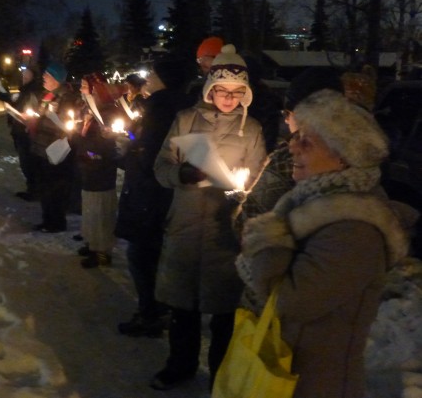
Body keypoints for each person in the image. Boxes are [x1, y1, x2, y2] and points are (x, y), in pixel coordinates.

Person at [236, 89, 408, 398]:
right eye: (296, 135)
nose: (293, 147)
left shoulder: (355, 228)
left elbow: (289, 303)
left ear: (343, 157)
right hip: (288, 370)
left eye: (307, 142)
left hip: (315, 383)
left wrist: (268, 238)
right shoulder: (311, 203)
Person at [150, 44, 266, 390]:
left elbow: (259, 179)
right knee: (183, 309)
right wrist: (181, 174)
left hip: (224, 234)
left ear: (245, 94)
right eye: (221, 90)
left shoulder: (253, 129)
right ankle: (180, 365)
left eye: (236, 92)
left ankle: (222, 374)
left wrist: (242, 193)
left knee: (223, 315)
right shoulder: (185, 119)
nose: (228, 98)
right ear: (209, 88)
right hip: (185, 225)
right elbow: (160, 167)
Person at [115, 54, 195, 338]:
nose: (148, 78)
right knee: (156, 253)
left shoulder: (160, 107)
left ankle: (151, 312)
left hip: (148, 193)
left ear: (165, 78)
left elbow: (150, 154)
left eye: (153, 74)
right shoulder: (186, 106)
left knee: (140, 255)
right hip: (171, 192)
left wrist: (127, 149)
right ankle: (159, 307)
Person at [240, 66, 344, 223]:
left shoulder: (290, 157)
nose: (286, 120)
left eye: (288, 113)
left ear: (303, 113)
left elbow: (249, 218)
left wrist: (237, 200)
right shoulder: (356, 151)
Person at [73, 73, 122, 268]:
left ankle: (103, 252)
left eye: (85, 86)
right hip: (89, 167)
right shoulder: (91, 110)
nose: (81, 89)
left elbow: (109, 144)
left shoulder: (108, 112)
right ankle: (92, 243)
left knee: (101, 211)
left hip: (101, 170)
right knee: (91, 209)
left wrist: (92, 153)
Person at [29, 61, 80, 233]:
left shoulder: (66, 98)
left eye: (47, 75)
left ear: (56, 79)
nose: (43, 77)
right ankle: (47, 219)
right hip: (42, 148)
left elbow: (69, 125)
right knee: (45, 186)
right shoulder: (48, 96)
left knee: (55, 188)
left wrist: (54, 119)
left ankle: (56, 222)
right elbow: (41, 117)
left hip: (56, 151)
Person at [0, 67, 44, 201]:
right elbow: (12, 100)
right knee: (25, 162)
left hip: (26, 132)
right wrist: (1, 88)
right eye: (23, 75)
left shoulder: (33, 91)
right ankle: (32, 189)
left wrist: (29, 118)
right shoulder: (23, 91)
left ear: (33, 77)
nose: (24, 77)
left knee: (29, 163)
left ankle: (35, 191)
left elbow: (36, 111)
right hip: (19, 131)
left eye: (27, 75)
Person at [185, 36, 224, 102]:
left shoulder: (197, 86)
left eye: (201, 59)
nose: (200, 63)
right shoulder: (197, 84)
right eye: (198, 60)